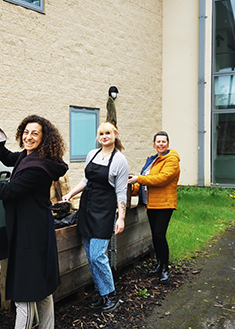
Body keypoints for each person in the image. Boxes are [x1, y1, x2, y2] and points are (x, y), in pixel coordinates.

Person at [0, 115, 68, 329]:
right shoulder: (32, 156)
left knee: (24, 295)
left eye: (35, 133)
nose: (28, 137)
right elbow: (10, 158)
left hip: (30, 233)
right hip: (35, 228)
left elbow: (7, 191)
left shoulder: (38, 167)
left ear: (44, 138)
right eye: (26, 132)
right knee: (42, 288)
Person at [62, 121, 129, 312]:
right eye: (101, 134)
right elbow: (86, 180)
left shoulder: (119, 160)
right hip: (87, 209)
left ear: (115, 134)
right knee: (90, 256)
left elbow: (121, 192)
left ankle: (111, 295)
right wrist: (70, 194)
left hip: (104, 211)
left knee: (98, 255)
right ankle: (101, 292)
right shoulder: (92, 154)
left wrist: (121, 217)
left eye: (108, 133)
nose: (105, 136)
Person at [128, 131, 180, 284]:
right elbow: (144, 181)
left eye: (164, 141)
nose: (161, 144)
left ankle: (165, 270)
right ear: (154, 144)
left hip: (164, 203)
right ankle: (159, 265)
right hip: (151, 203)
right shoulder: (152, 160)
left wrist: (139, 178)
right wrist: (131, 187)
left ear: (168, 144)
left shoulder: (171, 159)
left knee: (159, 235)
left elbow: (162, 179)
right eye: (158, 142)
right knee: (155, 236)